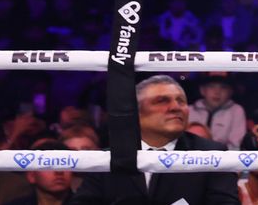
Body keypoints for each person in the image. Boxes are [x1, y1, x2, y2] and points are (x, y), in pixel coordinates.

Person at [71, 75, 239, 204]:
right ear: (135, 113)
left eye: (181, 101)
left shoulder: (212, 154)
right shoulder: (108, 158)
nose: (175, 107)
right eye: (162, 101)